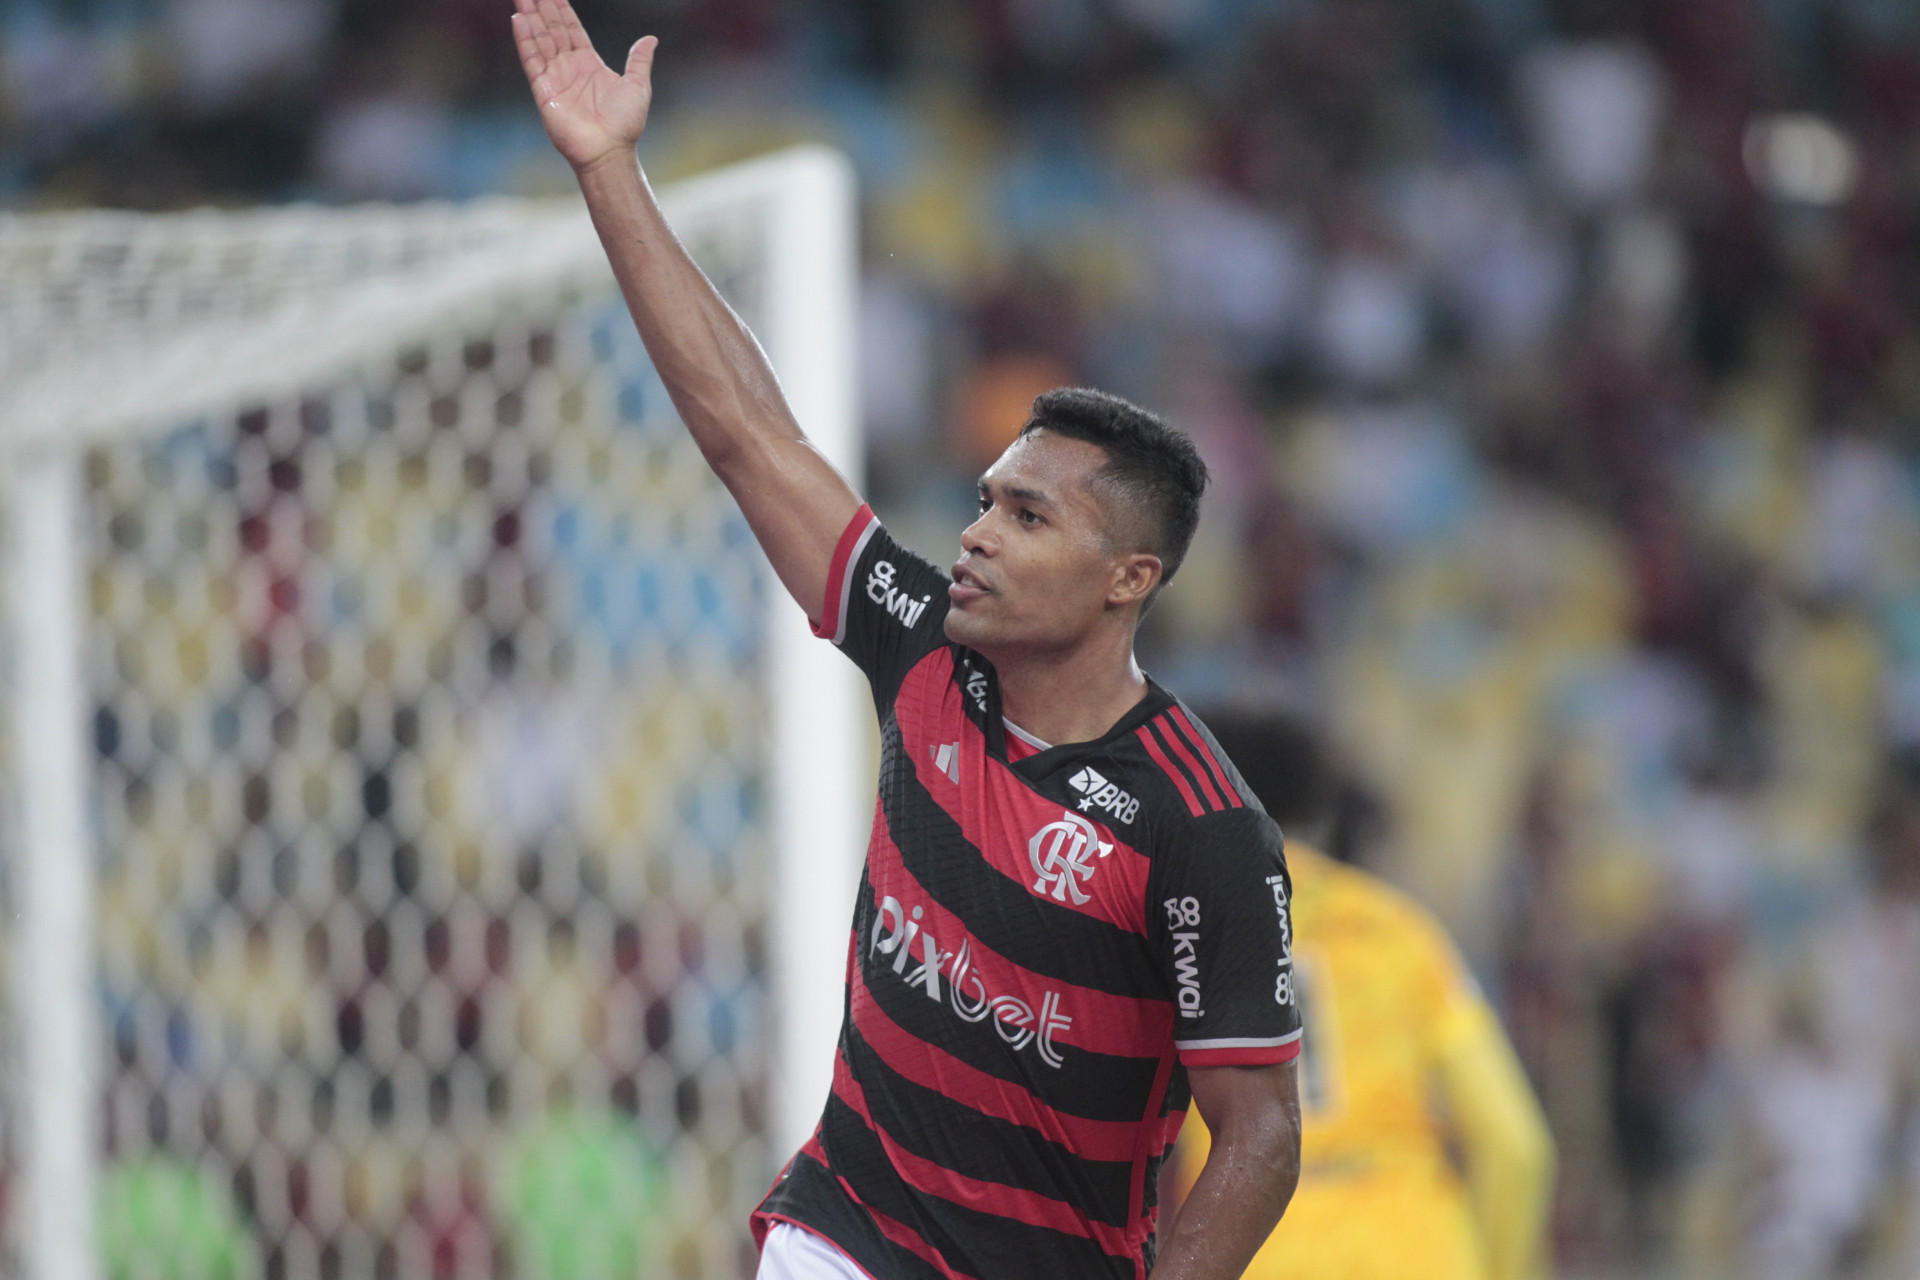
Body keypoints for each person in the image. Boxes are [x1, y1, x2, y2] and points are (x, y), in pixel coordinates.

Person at [509, 4, 1303, 1277]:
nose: (977, 532)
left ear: (1126, 578)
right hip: (842, 1232)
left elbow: (1259, 1138)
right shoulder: (927, 648)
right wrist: (610, 169)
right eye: (987, 497)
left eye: (1027, 514)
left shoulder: (1200, 827)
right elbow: (750, 438)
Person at [1173, 713, 1555, 1280]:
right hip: (1415, 1245)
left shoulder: (1180, 938)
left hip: (1259, 1248)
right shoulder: (1401, 931)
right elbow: (1515, 1145)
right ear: (1315, 812)